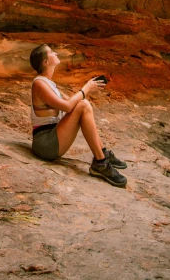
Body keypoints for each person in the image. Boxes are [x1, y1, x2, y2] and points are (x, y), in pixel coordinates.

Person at [29, 43, 127, 187]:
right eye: (51, 52)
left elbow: (68, 103)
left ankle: (102, 153)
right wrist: (86, 88)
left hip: (52, 136)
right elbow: (68, 107)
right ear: (45, 62)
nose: (55, 53)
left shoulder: (48, 83)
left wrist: (87, 89)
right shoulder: (39, 84)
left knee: (83, 104)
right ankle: (100, 163)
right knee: (83, 104)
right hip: (45, 144)